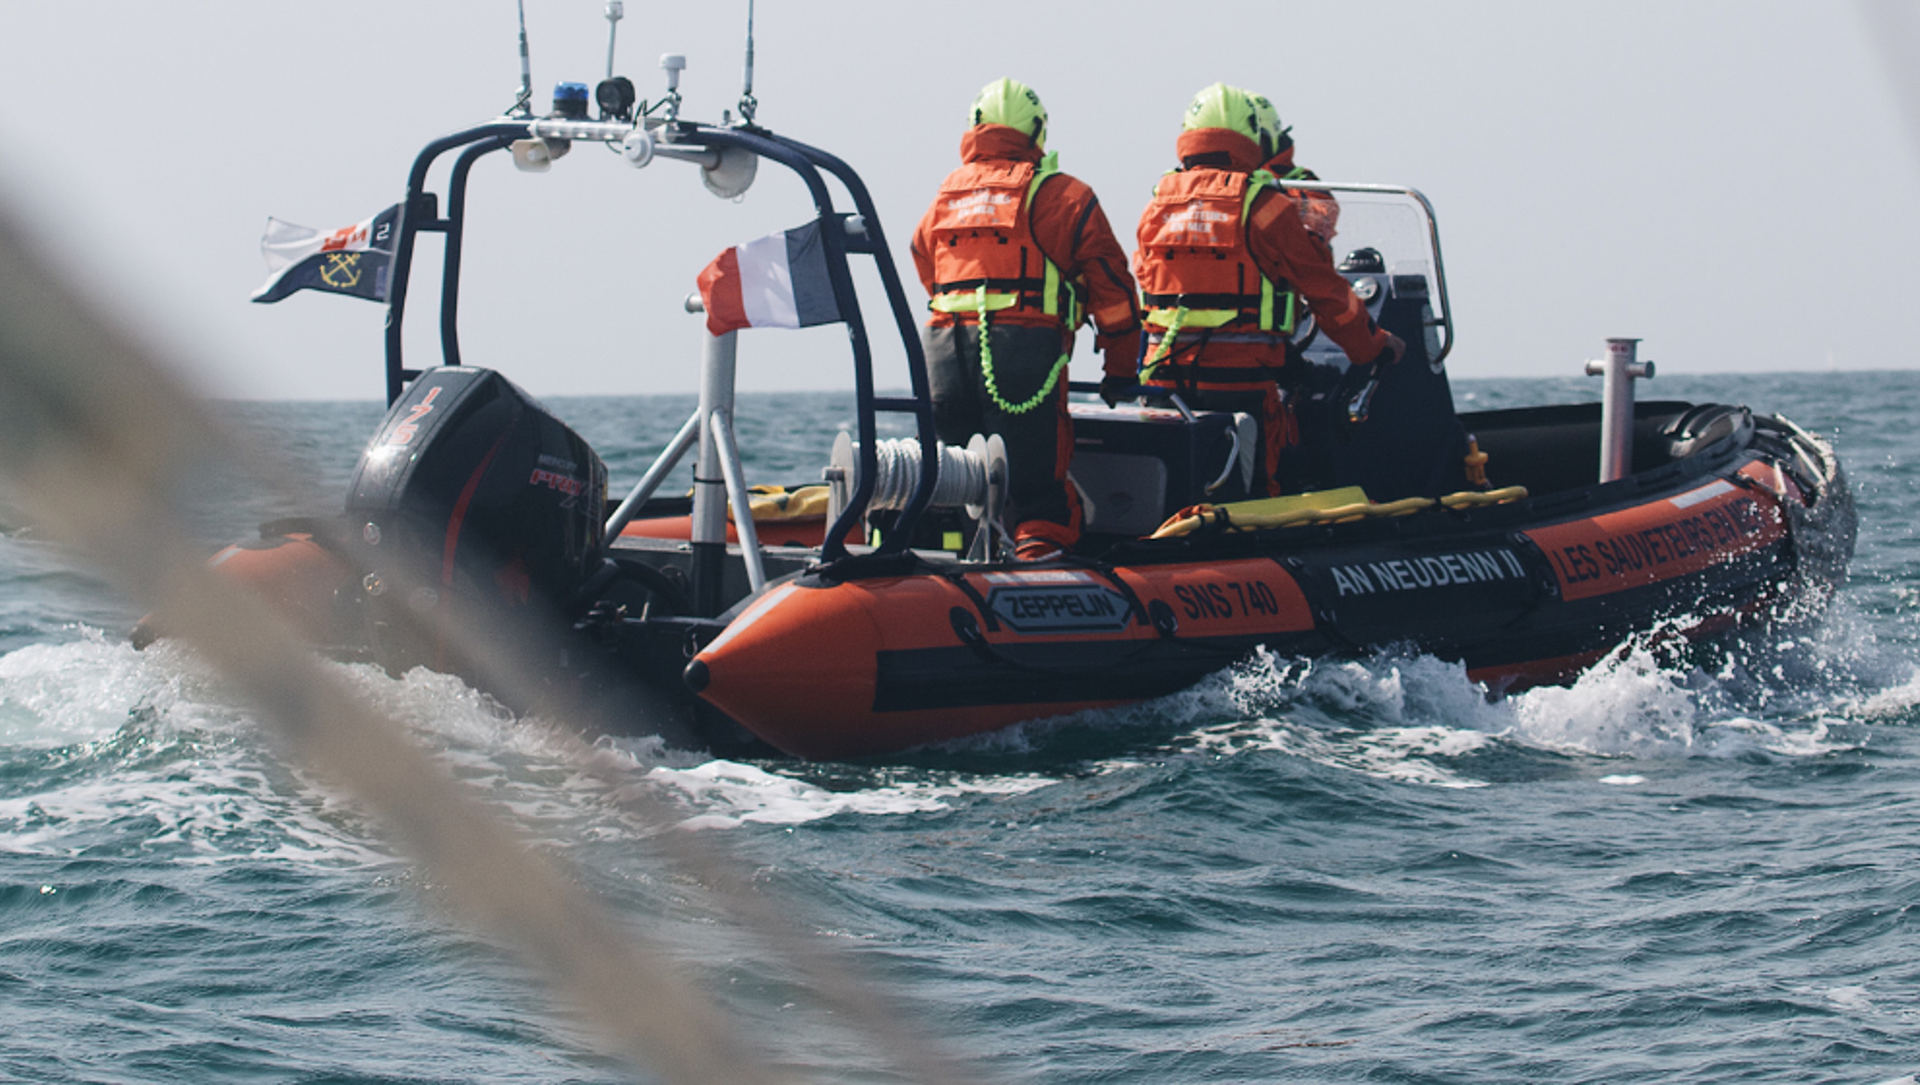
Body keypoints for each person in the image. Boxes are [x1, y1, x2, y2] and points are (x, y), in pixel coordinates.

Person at [1130, 83, 1403, 497]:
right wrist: (1373, 345)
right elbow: (1324, 288)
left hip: (1165, 377)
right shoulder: (1265, 205)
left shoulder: (1157, 204)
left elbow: (1144, 282)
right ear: (1251, 135)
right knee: (1256, 489)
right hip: (1241, 382)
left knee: (1173, 486)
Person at [911, 77, 1141, 562]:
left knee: (957, 480)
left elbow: (923, 260)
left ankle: (949, 567)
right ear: (1038, 132)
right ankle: (1042, 579)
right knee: (1038, 490)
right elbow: (1114, 293)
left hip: (943, 357)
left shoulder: (944, 197)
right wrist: (1121, 372)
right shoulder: (1064, 197)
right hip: (1023, 356)